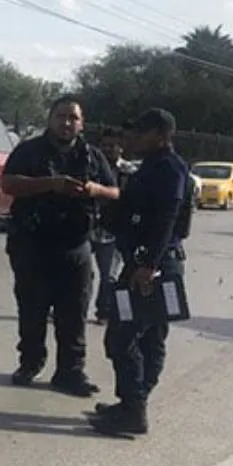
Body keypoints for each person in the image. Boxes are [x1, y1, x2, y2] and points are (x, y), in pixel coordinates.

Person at [0, 94, 121, 397]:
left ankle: (70, 372)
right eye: (61, 116)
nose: (66, 123)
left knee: (74, 313)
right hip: (33, 244)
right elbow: (8, 183)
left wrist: (94, 189)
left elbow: (115, 192)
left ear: (82, 124)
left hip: (76, 246)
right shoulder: (29, 151)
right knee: (32, 310)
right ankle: (30, 363)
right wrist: (50, 184)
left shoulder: (92, 156)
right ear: (50, 119)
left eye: (73, 118)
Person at [88, 108, 192, 436]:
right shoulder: (151, 166)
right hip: (143, 263)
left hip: (153, 268)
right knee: (145, 337)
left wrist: (148, 265)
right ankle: (132, 404)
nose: (133, 138)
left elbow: (166, 218)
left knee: (124, 337)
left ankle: (134, 408)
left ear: (161, 135)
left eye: (141, 132)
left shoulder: (169, 168)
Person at [91, 126, 137, 324]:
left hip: (112, 231)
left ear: (121, 147)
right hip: (88, 227)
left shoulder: (130, 172)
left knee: (109, 275)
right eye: (103, 145)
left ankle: (104, 311)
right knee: (78, 272)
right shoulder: (90, 166)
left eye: (112, 146)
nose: (107, 149)